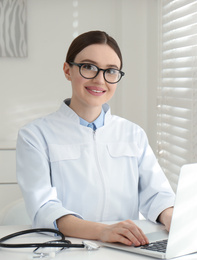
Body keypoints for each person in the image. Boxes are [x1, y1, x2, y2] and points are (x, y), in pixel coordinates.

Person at [16, 30, 175, 247]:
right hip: (70, 248)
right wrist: (103, 231)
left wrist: (172, 218)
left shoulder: (133, 134)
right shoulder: (35, 136)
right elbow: (44, 208)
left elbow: (157, 194)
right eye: (88, 67)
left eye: (111, 71)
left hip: (127, 249)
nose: (100, 80)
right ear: (67, 70)